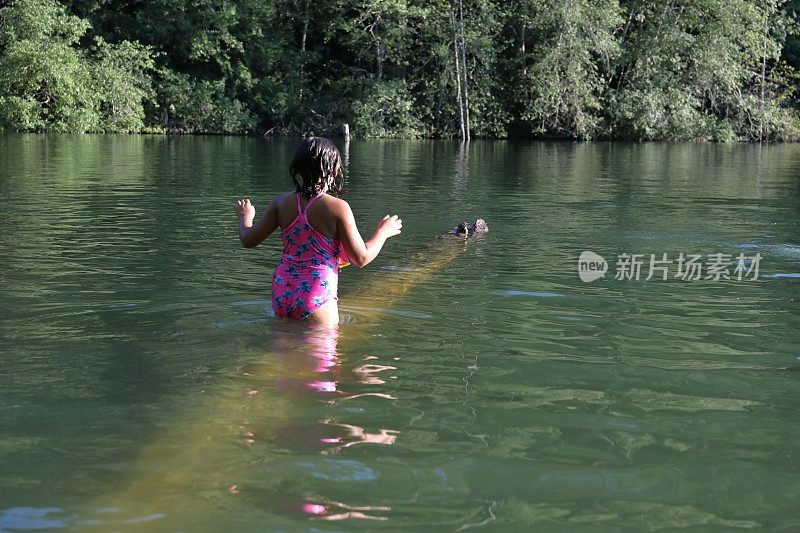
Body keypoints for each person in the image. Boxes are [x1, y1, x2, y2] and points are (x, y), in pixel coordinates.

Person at [234, 137, 402, 326]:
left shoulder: (280, 203)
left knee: (282, 353)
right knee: (325, 354)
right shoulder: (338, 208)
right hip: (316, 292)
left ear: (298, 167)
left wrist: (245, 217)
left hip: (283, 289)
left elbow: (248, 240)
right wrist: (382, 232)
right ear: (334, 169)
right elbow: (361, 258)